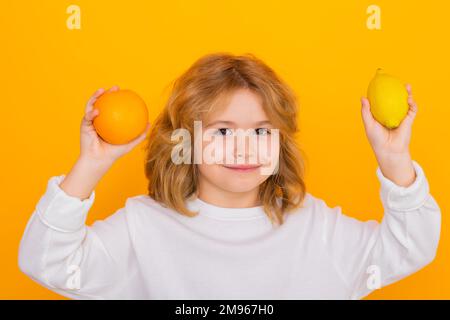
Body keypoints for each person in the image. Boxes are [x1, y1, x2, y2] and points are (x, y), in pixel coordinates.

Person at [18, 53, 441, 299]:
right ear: (185, 140)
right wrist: (91, 163)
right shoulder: (143, 226)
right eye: (222, 130)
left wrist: (394, 158)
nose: (244, 147)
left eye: (261, 130)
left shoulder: (316, 227)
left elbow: (412, 247)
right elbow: (46, 261)